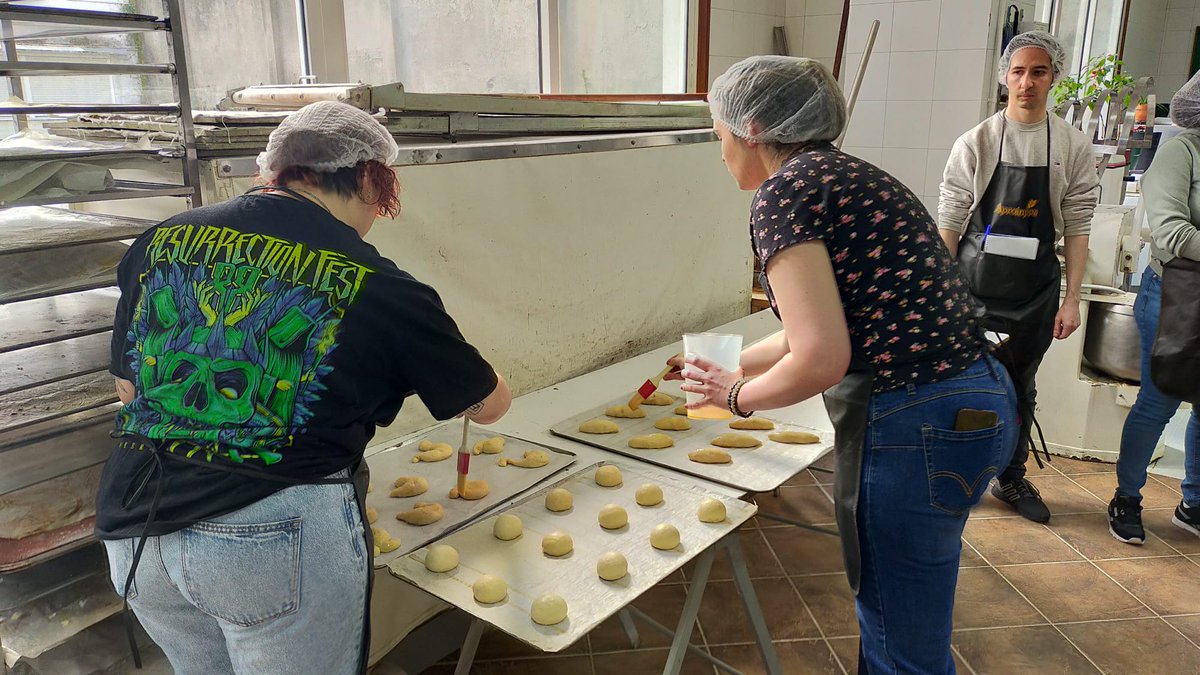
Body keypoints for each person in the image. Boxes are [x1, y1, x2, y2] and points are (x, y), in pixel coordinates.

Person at [97, 101, 512, 674]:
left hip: (135, 526)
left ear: (276, 169)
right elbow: (487, 405)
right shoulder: (378, 282)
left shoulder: (159, 241)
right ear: (370, 177)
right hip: (272, 538)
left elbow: (128, 387)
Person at [671, 56, 1018, 674]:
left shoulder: (784, 193)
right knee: (907, 615)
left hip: (915, 418)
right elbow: (814, 327)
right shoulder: (850, 176)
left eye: (717, 132)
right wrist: (708, 365)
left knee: (899, 642)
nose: (719, 149)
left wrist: (734, 397)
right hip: (976, 400)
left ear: (751, 126)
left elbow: (821, 358)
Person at [939, 30, 1099, 523]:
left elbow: (1077, 225)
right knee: (961, 380)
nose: (1026, 82)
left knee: (1020, 384)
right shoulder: (977, 141)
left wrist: (1071, 299)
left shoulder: (1071, 145)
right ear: (1004, 77)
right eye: (1018, 71)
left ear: (1054, 77)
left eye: (1038, 71)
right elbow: (949, 218)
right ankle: (953, 471)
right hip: (972, 285)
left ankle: (1010, 476)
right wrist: (941, 292)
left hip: (1034, 290)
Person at [1108, 72, 1200, 545]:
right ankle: (1127, 497)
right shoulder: (1181, 152)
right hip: (1174, 296)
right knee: (1158, 400)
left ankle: (1194, 504)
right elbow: (1172, 234)